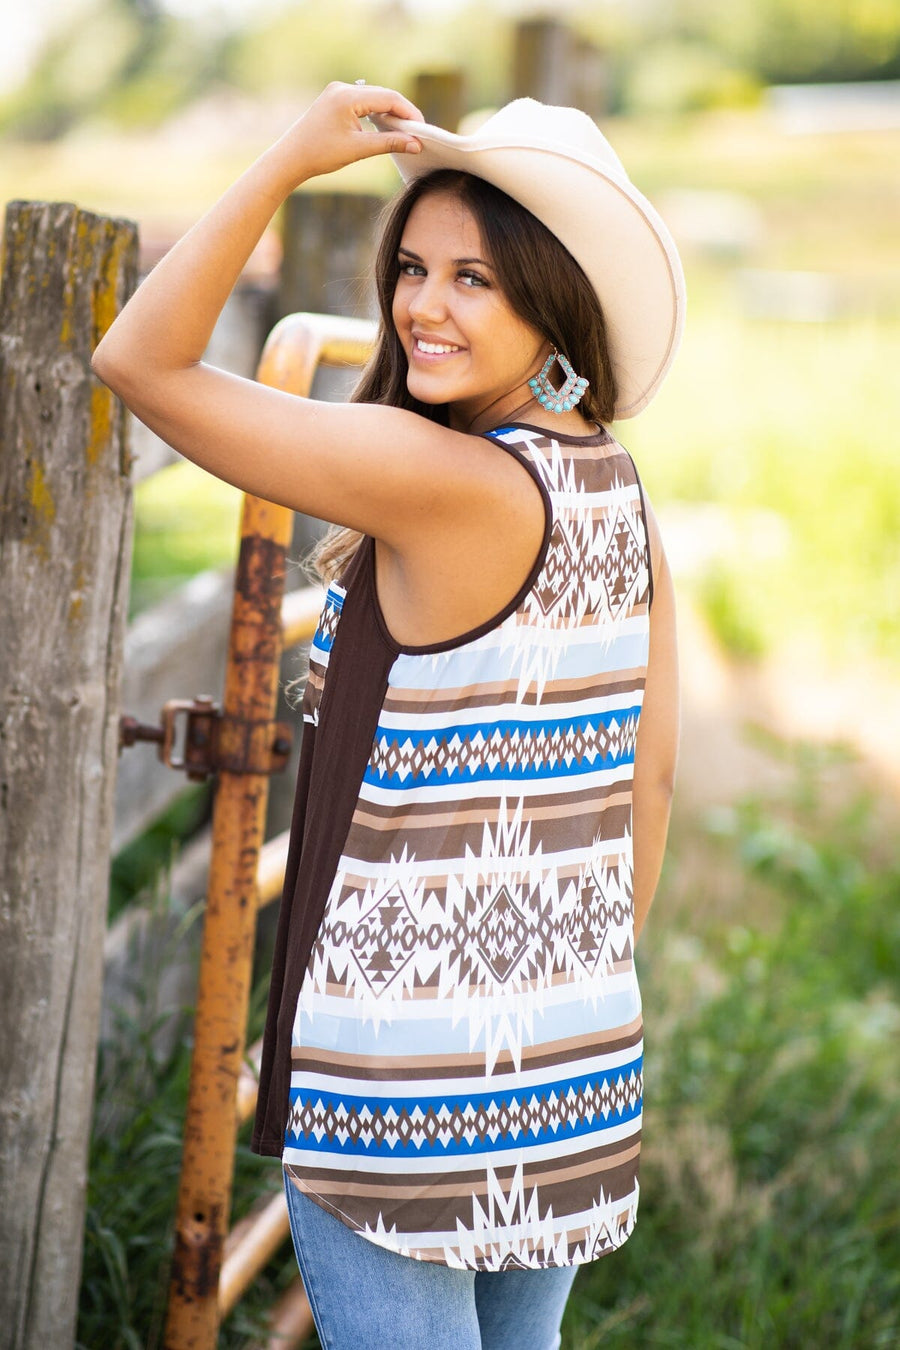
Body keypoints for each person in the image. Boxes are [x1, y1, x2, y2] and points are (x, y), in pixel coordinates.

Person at [93, 81, 683, 1350]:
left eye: (475, 279)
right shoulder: (618, 489)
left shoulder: (438, 477)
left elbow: (138, 362)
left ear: (554, 297)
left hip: (405, 1086)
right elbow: (651, 783)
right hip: (572, 1067)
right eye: (412, 268)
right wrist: (557, 997)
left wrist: (283, 162)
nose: (422, 306)